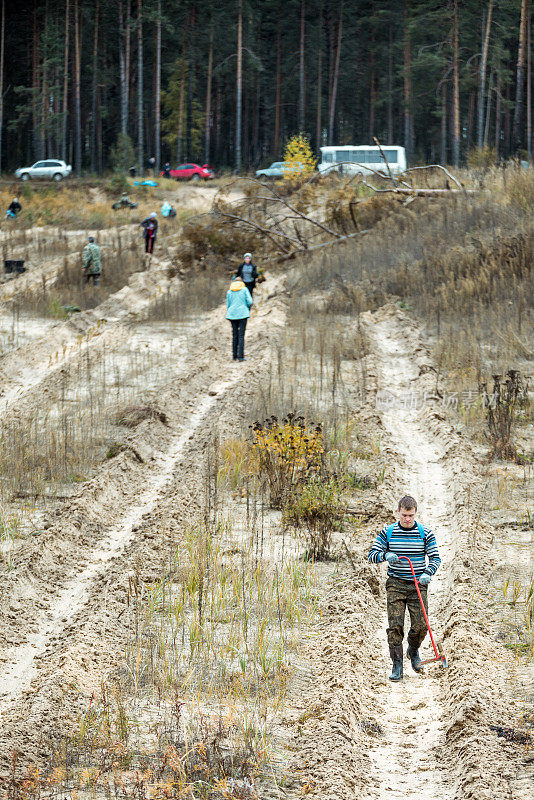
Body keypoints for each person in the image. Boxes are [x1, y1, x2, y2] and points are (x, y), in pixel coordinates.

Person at [368, 495, 441, 681]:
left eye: (411, 515)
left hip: (418, 583)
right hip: (396, 584)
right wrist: (385, 555)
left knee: (421, 625)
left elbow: (435, 558)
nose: (407, 519)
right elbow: (372, 555)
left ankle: (413, 649)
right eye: (404, 515)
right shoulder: (388, 532)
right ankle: (397, 665)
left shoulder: (426, 533)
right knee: (395, 626)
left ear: (415, 513)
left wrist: (428, 573)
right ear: (398, 513)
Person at [226, 276, 253, 362]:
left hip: (232, 315)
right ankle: (240, 356)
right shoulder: (244, 290)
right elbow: (250, 302)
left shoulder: (229, 291)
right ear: (242, 282)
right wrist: (245, 306)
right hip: (242, 314)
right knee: (241, 335)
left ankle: (234, 356)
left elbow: (228, 305)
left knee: (234, 335)